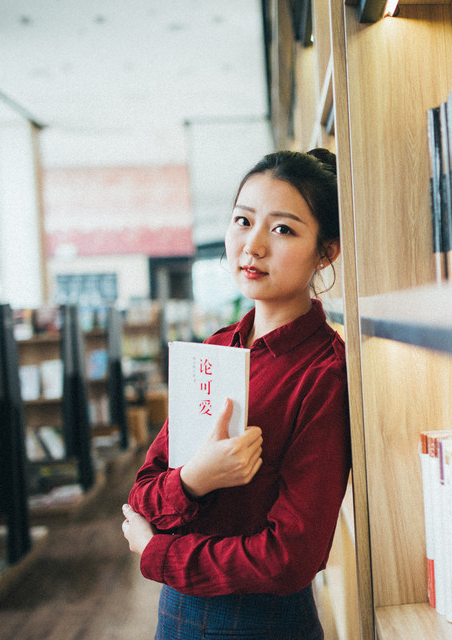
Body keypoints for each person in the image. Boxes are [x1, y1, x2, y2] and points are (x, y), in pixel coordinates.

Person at [121, 148, 351, 640]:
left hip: (259, 624)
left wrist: (158, 552)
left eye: (283, 229)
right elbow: (142, 493)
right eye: (243, 221)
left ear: (326, 250)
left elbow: (290, 558)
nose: (253, 246)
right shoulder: (214, 349)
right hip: (175, 613)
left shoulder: (323, 372)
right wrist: (195, 480)